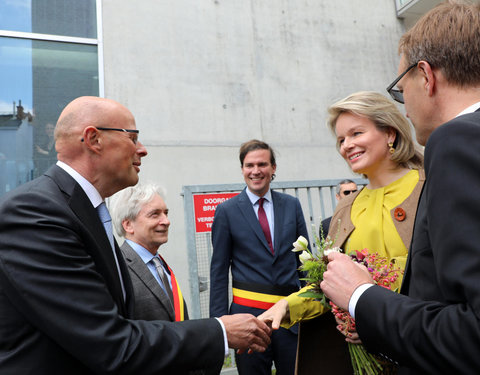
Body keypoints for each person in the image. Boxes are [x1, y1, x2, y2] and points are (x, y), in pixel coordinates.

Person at [0, 96, 271, 374]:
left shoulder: (85, 211)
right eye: (132, 137)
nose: (142, 150)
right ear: (93, 139)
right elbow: (110, 344)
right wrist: (219, 332)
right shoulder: (36, 213)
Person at [320, 2, 480, 374]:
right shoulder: (348, 206)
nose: (404, 104)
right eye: (341, 138)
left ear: (426, 76)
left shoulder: (455, 142)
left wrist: (362, 297)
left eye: (400, 87)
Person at [259, 91, 424, 374]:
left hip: (422, 349)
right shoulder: (346, 207)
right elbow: (330, 284)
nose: (347, 145)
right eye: (341, 140)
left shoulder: (428, 187)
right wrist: (288, 306)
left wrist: (376, 318)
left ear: (390, 133)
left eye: (356, 133)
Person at [209, 139, 309, 375]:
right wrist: (221, 326)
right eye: (249, 165)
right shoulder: (226, 211)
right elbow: (219, 271)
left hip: (290, 318)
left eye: (262, 164)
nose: (256, 171)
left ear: (273, 168)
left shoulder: (292, 205)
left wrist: (309, 311)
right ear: (242, 169)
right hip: (247, 321)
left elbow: (305, 262)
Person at [111, 183, 218, 374]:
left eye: (166, 213)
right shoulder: (119, 269)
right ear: (128, 225)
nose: (166, 221)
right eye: (155, 214)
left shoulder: (158, 263)